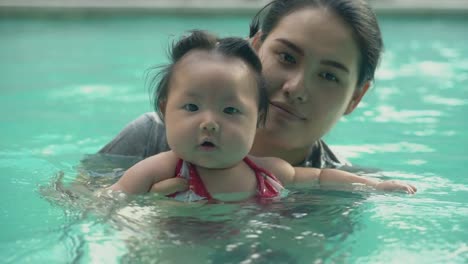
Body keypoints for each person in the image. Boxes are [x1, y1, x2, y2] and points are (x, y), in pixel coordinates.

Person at [108, 31, 416, 202]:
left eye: (230, 111)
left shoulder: (267, 172)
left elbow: (321, 179)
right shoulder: (157, 168)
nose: (209, 122)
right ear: (164, 109)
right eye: (191, 107)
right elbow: (101, 204)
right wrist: (144, 210)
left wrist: (374, 186)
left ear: (257, 118)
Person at [97, 0, 384, 171]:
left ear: (355, 98)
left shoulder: (341, 191)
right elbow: (77, 206)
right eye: (286, 57)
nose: (296, 87)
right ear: (255, 49)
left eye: (329, 76)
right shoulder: (152, 138)